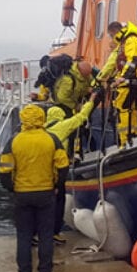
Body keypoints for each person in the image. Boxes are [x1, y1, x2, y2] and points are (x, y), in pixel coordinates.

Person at [0, 105, 70, 272]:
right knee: (46, 235)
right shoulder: (52, 140)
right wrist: (56, 186)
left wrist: (12, 188)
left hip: (22, 194)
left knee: (23, 236)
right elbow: (63, 167)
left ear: (23, 119)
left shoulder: (14, 141)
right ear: (41, 118)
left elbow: (4, 170)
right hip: (46, 193)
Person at [44, 99, 98, 242]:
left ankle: (37, 233)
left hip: (42, 172)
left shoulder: (42, 129)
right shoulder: (63, 126)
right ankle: (54, 233)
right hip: (57, 172)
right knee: (58, 203)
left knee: (42, 206)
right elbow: (81, 117)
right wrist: (91, 101)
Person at [97, 21, 137, 144]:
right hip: (133, 78)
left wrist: (123, 77)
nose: (111, 39)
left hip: (132, 78)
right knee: (131, 107)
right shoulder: (125, 41)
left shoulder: (131, 39)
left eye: (111, 36)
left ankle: (125, 139)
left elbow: (132, 60)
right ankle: (133, 133)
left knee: (122, 107)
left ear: (114, 32)